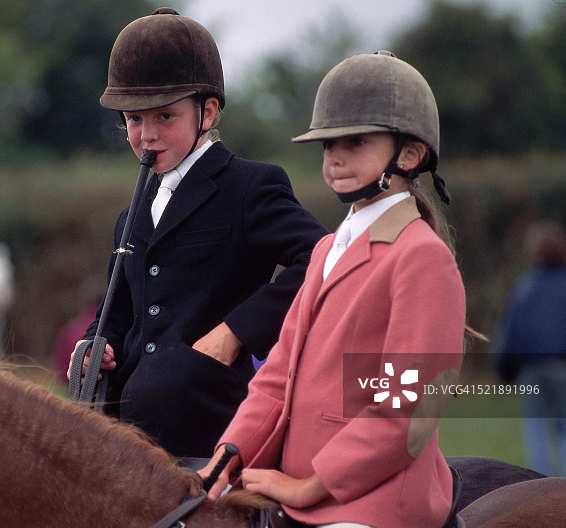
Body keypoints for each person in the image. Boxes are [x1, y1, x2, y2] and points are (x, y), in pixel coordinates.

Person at [200, 51, 467, 528]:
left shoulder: (422, 257)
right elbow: (278, 372)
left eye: (356, 142)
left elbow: (406, 409)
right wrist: (228, 454)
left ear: (409, 155)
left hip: (372, 503)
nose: (335, 157)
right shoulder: (326, 249)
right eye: (327, 145)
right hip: (295, 487)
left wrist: (307, 487)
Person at [69, 8, 328, 465]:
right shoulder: (131, 214)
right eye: (134, 119)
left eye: (165, 116)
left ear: (207, 112)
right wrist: (97, 342)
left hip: (209, 432)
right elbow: (119, 310)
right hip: (124, 438)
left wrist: (235, 332)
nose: (147, 135)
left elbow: (321, 258)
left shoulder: (250, 186)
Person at [494, 220, 566, 476]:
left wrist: (505, 370)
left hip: (532, 370)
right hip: (562, 368)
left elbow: (510, 331)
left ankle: (541, 488)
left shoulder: (525, 287)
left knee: (538, 432)